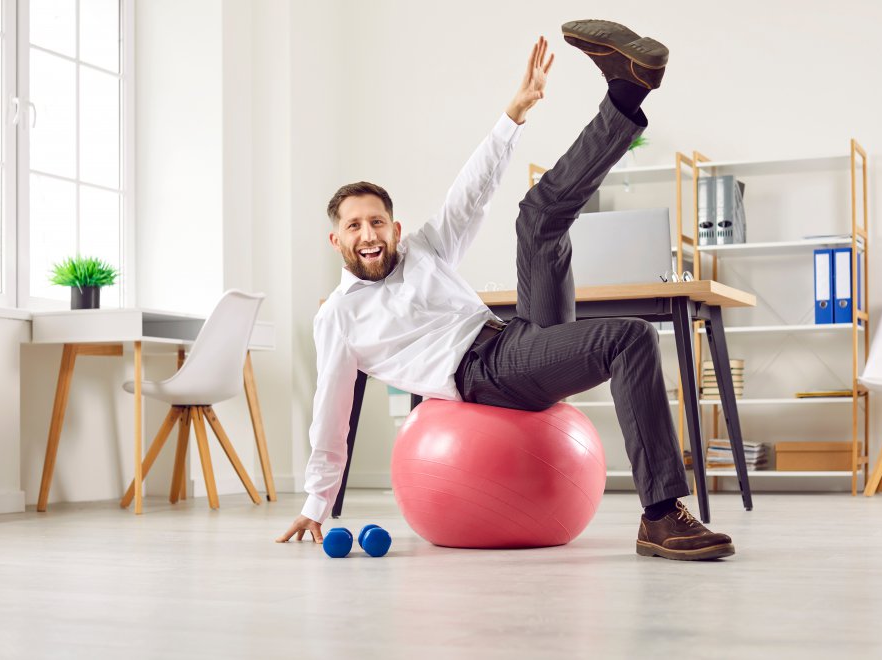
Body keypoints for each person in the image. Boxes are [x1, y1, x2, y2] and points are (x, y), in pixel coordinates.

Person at [278, 19, 734, 561]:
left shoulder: (423, 249)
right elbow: (330, 415)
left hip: (514, 338)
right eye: (354, 226)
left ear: (395, 229)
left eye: (377, 222)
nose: (368, 234)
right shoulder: (339, 318)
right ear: (337, 241)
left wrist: (514, 114)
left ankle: (626, 90)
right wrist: (316, 502)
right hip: (484, 374)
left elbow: (470, 193)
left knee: (538, 215)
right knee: (629, 337)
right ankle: (660, 516)